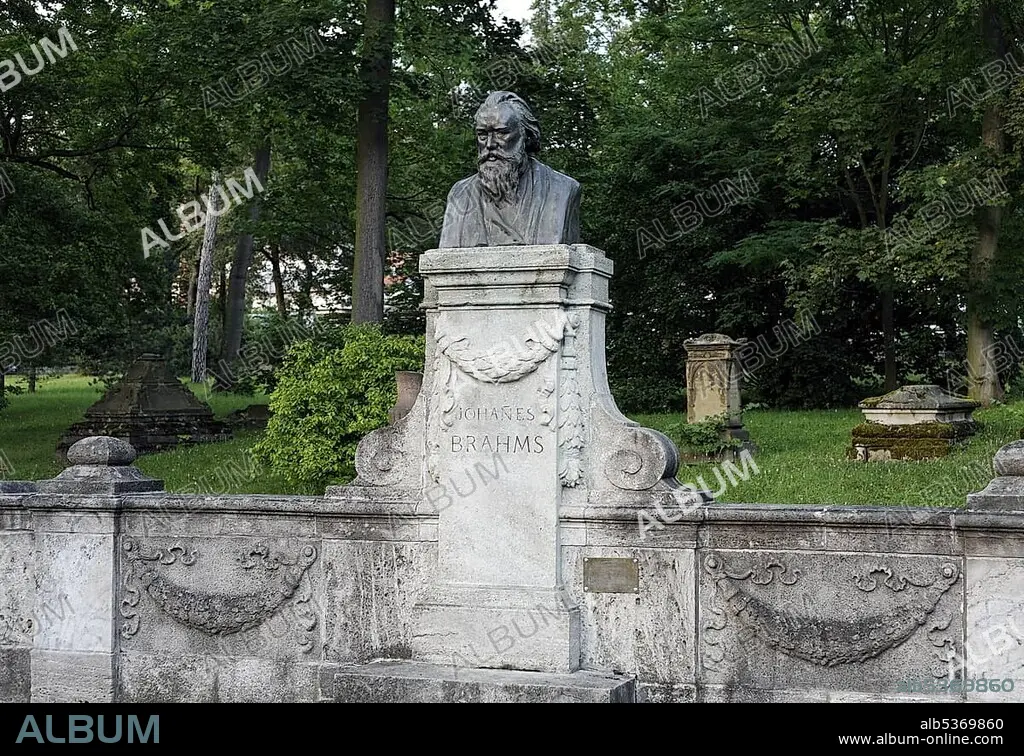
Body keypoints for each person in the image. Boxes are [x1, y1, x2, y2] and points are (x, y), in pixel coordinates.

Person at [439, 91, 580, 248]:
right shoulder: (460, 194)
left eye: (501, 133)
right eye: (482, 135)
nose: (490, 144)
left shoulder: (561, 189)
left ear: (526, 136)